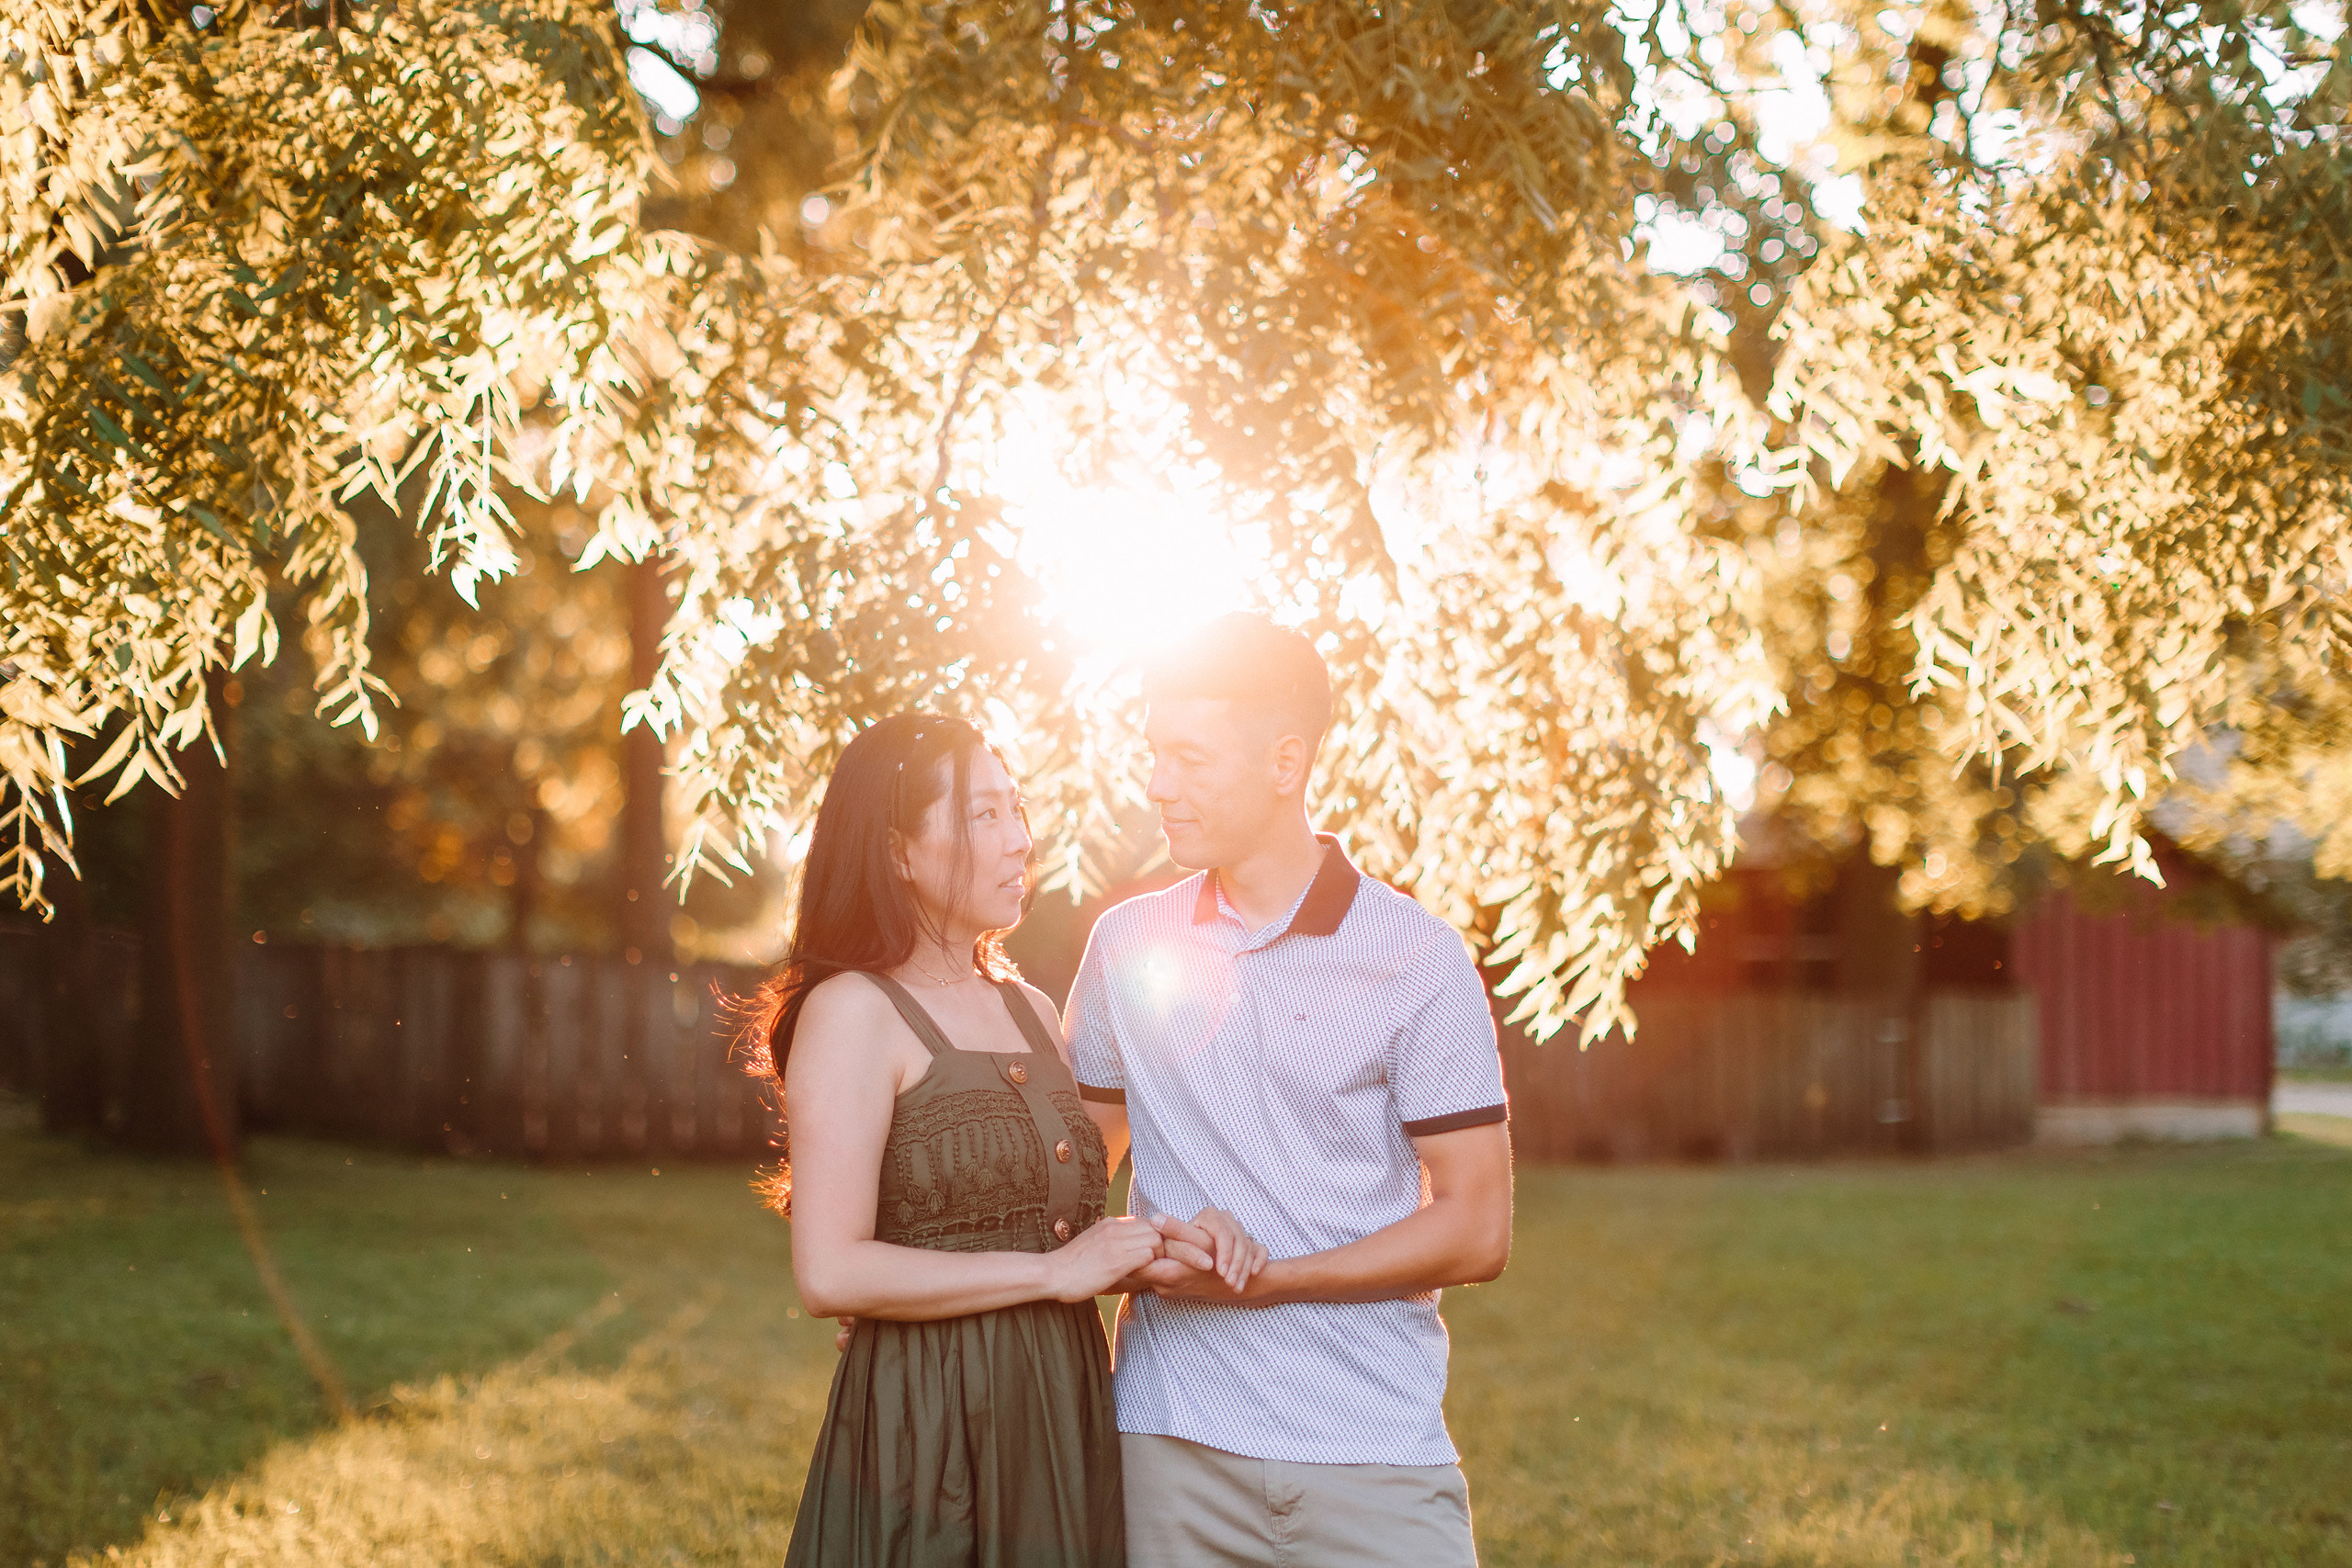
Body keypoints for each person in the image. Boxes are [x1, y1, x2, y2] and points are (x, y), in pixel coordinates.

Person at [750, 713, 1263, 1568]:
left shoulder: (1031, 1009)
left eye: (1016, 809)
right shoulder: (853, 1013)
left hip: (1060, 1404)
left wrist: (1162, 1243)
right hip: (930, 1416)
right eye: (983, 815)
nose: (1021, 840)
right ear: (898, 849)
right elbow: (830, 1270)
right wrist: (1053, 1276)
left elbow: (1055, 1220)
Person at [1068, 612, 1515, 1568]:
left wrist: (1268, 1280)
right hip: (1168, 1447)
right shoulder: (1125, 945)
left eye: (1189, 757)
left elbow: (1477, 1228)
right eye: (1154, 754)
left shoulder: (1417, 958)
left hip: (1372, 1450)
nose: (1157, 786)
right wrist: (1150, 1247)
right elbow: (1068, 1181)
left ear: (1285, 762)